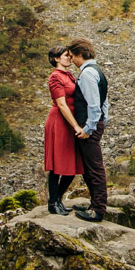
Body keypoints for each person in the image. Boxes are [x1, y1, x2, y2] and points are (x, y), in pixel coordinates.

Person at [67, 38, 111, 221]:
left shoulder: (86, 74)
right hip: (96, 123)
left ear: (80, 54)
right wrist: (103, 121)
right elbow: (104, 102)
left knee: (94, 168)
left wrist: (89, 128)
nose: (71, 61)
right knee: (89, 167)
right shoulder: (98, 71)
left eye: (72, 56)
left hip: (89, 126)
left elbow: (93, 105)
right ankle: (95, 204)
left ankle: (98, 209)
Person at [42, 47, 82, 215]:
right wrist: (75, 126)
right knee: (57, 164)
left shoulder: (68, 75)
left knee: (71, 164)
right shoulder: (55, 77)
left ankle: (57, 199)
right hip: (60, 121)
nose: (70, 58)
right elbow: (61, 104)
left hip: (68, 120)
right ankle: (53, 202)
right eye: (66, 56)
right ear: (56, 58)